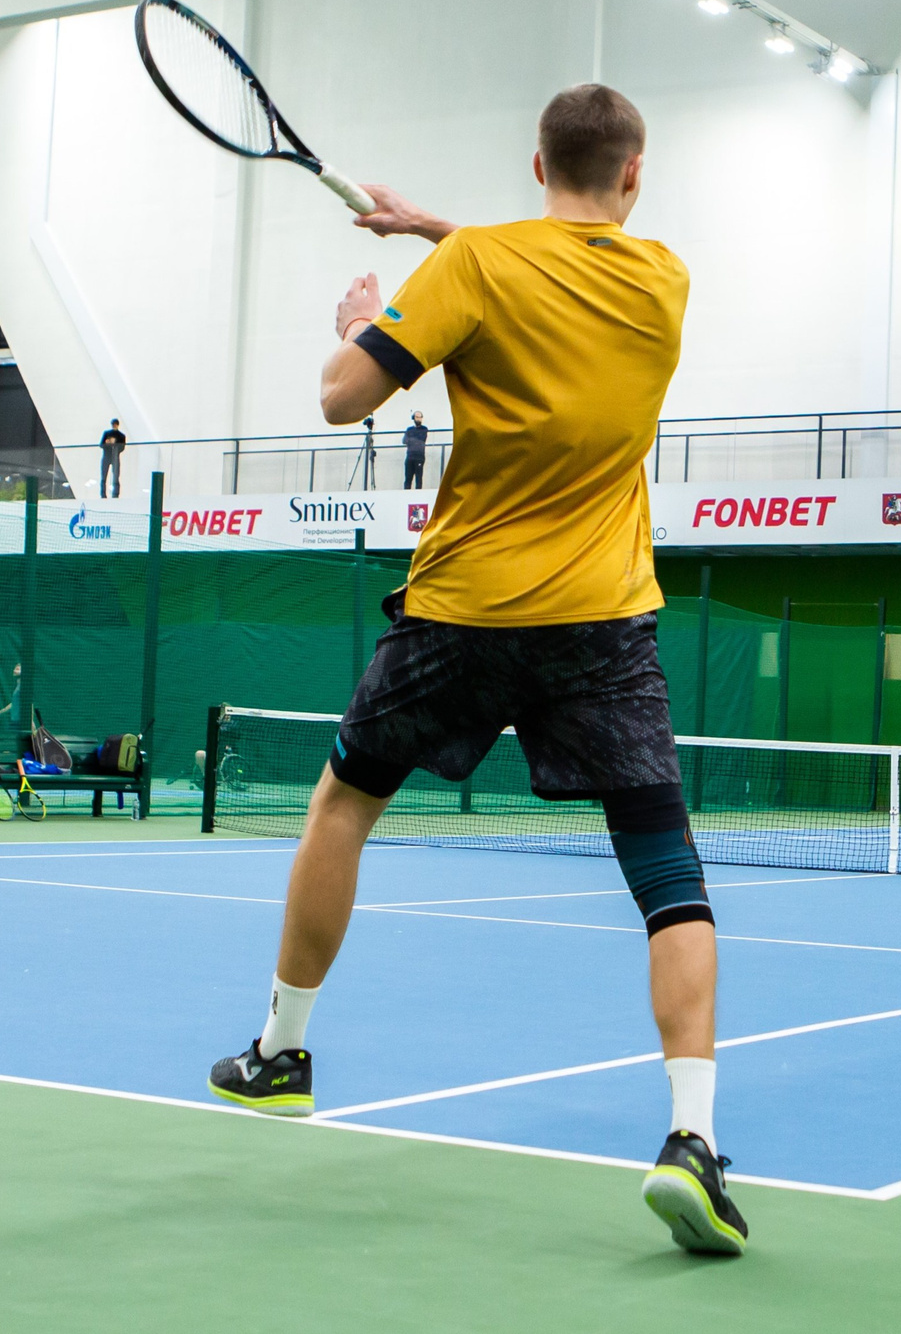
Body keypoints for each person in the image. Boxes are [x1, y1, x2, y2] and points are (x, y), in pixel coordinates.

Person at [200, 85, 744, 1256]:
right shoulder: (663, 281)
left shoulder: (478, 269)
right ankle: (692, 1140)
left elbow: (343, 400)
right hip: (606, 623)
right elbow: (538, 264)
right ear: (634, 175)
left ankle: (282, 1048)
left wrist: (371, 312)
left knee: (344, 802)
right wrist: (428, 229)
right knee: (666, 868)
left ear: (533, 159)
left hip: (465, 611)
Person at [99, 419, 126, 499]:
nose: (114, 425)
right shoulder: (107, 433)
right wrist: (107, 443)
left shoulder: (121, 436)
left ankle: (115, 494)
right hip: (107, 456)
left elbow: (122, 448)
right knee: (104, 476)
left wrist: (115, 444)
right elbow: (101, 445)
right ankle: (103, 494)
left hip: (115, 457)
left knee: (116, 476)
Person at [402, 410, 429, 489]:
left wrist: (411, 438)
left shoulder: (424, 429)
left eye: (420, 417)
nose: (418, 419)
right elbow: (404, 441)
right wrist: (414, 439)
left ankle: (418, 496)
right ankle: (406, 495)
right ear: (413, 418)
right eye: (417, 417)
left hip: (419, 456)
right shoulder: (409, 429)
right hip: (410, 456)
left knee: (419, 478)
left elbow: (421, 439)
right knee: (408, 477)